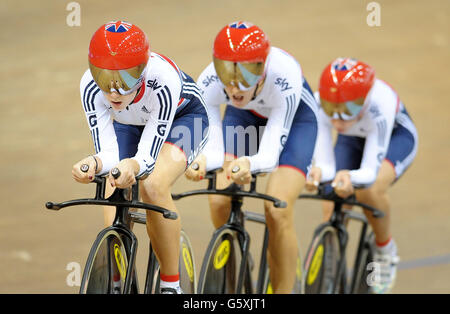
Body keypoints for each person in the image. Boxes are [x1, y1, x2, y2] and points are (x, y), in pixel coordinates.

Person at [71, 21, 209, 294]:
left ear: (143, 71)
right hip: (133, 120)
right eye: (104, 78)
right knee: (112, 183)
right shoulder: (89, 85)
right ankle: (118, 279)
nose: (113, 92)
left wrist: (131, 166)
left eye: (125, 81)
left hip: (184, 118)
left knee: (153, 185)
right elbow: (108, 154)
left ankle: (172, 285)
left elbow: (146, 158)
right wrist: (93, 163)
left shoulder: (163, 79)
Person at [185, 21, 318, 293]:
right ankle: (236, 263)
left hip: (295, 123)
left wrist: (249, 163)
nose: (235, 86)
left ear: (263, 67)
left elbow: (269, 155)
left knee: (277, 209)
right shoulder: (209, 81)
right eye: (228, 73)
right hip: (244, 117)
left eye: (247, 74)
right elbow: (213, 150)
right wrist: (199, 161)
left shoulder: (285, 75)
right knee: (220, 199)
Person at [305, 57, 418, 293]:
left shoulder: (381, 103)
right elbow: (326, 165)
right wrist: (318, 172)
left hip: (394, 138)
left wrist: (351, 178)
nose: (337, 119)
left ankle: (385, 250)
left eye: (348, 109)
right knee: (331, 203)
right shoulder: (320, 104)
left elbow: (368, 173)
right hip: (352, 139)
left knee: (370, 190)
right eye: (332, 110)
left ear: (365, 101)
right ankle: (331, 266)